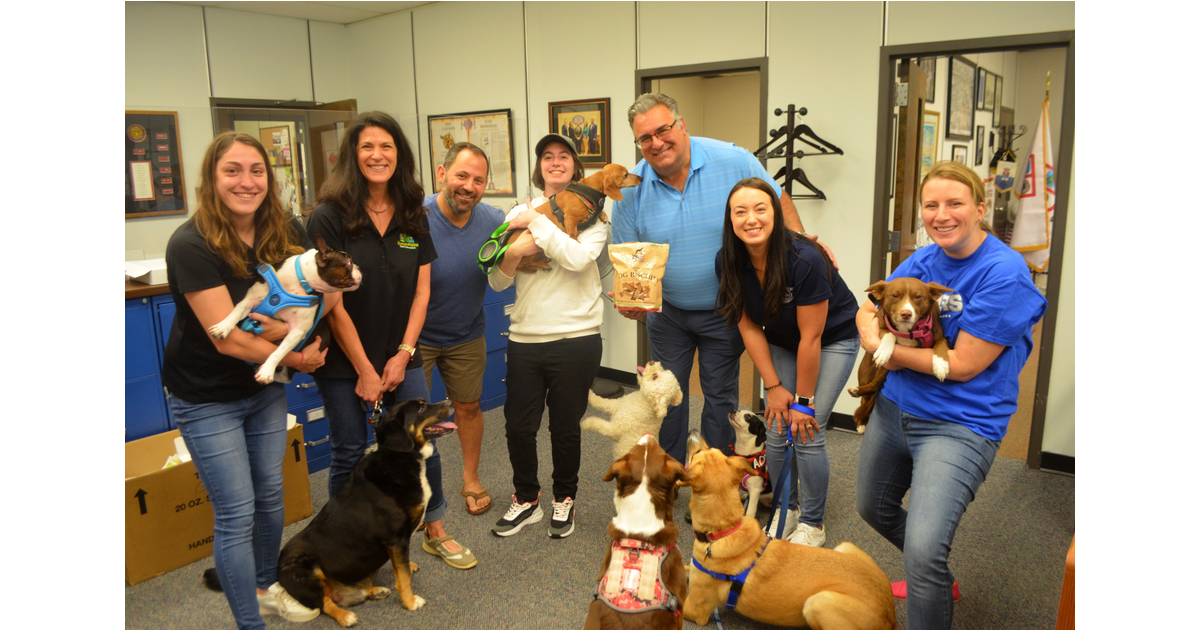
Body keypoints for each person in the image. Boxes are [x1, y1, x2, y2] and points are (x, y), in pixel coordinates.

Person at [854, 161, 1046, 629]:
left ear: (980, 209)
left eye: (955, 203)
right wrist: (872, 337)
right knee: (870, 508)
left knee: (922, 553)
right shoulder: (922, 258)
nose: (941, 215)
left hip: (960, 424)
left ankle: (926, 571)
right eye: (931, 205)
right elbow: (868, 309)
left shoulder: (1005, 273)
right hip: (896, 408)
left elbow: (961, 366)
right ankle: (934, 574)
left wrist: (888, 351)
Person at [610, 93, 833, 465]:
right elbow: (628, 256)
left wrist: (801, 250)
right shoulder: (631, 188)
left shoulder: (732, 160)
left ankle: (710, 481)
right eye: (645, 137)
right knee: (663, 399)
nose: (656, 142)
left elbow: (777, 201)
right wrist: (631, 300)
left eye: (663, 130)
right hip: (667, 315)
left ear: (681, 125)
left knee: (719, 399)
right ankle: (669, 476)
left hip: (727, 309)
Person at [162, 131, 327, 628]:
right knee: (237, 511)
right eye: (232, 170)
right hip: (206, 394)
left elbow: (320, 293)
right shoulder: (191, 243)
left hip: (262, 389)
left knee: (271, 495)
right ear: (212, 179)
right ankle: (249, 623)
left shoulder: (284, 229)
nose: (246, 181)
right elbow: (226, 339)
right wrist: (293, 357)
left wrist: (288, 331)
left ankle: (263, 586)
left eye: (257, 170)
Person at [307, 111, 477, 570]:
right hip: (345, 360)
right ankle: (344, 546)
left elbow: (422, 292)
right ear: (352, 155)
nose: (377, 155)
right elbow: (331, 301)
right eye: (367, 147)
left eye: (386, 147)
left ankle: (435, 531)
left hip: (402, 353)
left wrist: (403, 356)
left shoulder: (410, 211)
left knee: (425, 444)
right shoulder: (328, 215)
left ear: (398, 154)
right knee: (347, 452)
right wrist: (364, 368)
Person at [714, 178, 860, 548]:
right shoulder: (728, 260)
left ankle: (813, 523)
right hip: (780, 338)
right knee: (777, 429)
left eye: (760, 209)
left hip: (831, 338)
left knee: (805, 430)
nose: (751, 219)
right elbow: (748, 326)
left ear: (775, 214)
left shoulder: (804, 257)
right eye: (740, 211)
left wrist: (802, 402)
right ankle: (785, 507)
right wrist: (776, 389)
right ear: (730, 219)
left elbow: (811, 337)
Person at [487, 133, 606, 539]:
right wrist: (516, 252)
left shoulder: (594, 214)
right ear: (540, 168)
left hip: (576, 337)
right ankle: (526, 498)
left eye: (565, 157)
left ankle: (564, 499)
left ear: (576, 167)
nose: (556, 163)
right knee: (518, 426)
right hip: (525, 337)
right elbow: (498, 281)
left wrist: (533, 228)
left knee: (564, 427)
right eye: (548, 157)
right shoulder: (518, 211)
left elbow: (576, 259)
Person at [419, 142, 505, 516]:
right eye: (461, 176)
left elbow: (515, 260)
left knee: (468, 408)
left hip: (466, 332)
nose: (469, 186)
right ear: (442, 174)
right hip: (416, 338)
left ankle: (470, 477)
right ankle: (416, 487)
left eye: (479, 180)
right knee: (414, 416)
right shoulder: (413, 216)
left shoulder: (493, 220)